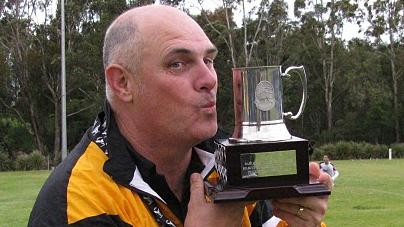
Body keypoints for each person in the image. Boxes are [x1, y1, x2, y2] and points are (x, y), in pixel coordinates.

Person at [28, 5, 332, 227]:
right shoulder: (80, 204)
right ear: (122, 83)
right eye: (178, 64)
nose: (209, 79)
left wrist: (301, 221)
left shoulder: (229, 161)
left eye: (209, 60)